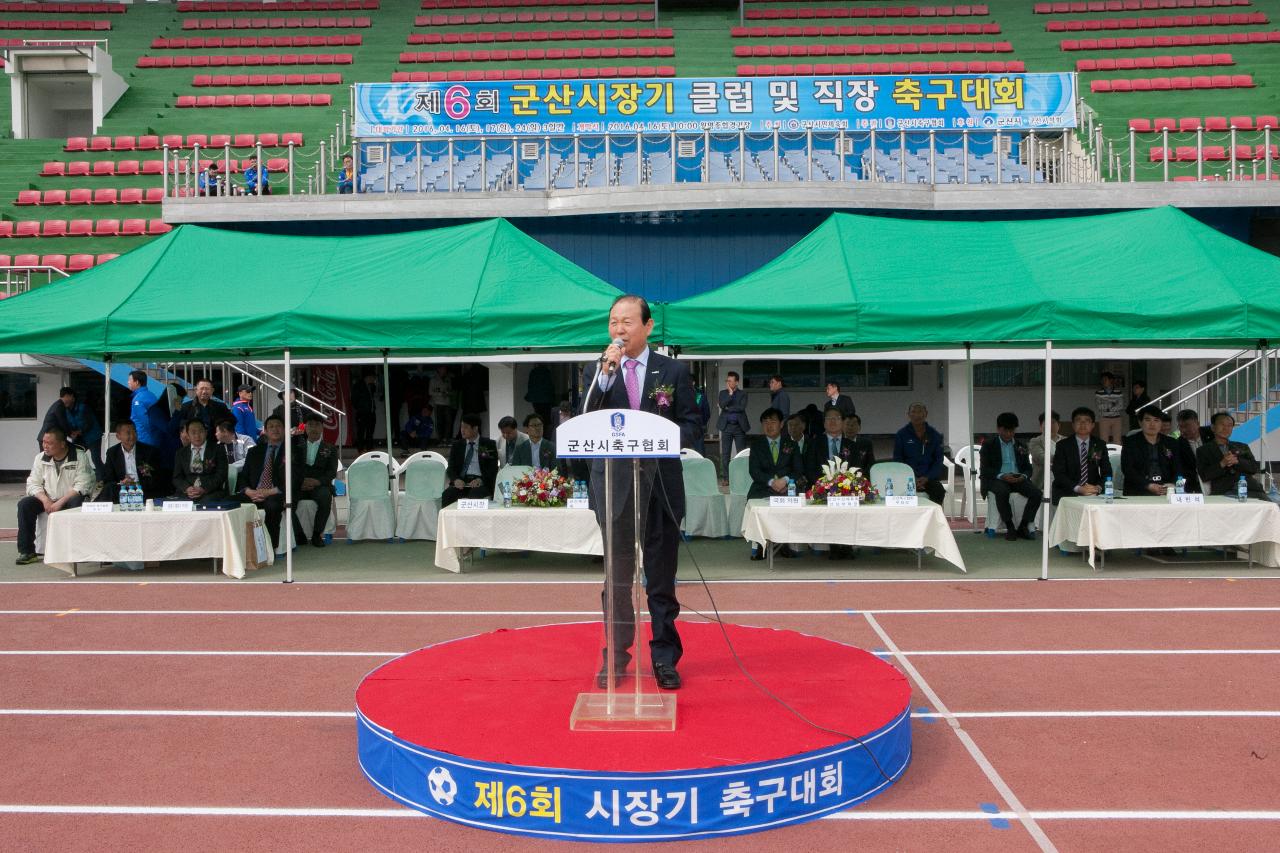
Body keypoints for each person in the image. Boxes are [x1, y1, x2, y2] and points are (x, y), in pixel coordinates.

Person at [583, 294, 697, 691]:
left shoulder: (674, 371)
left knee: (661, 577)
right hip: (613, 486)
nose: (619, 330)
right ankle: (615, 658)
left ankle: (664, 657)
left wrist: (659, 439)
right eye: (614, 322)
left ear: (648, 326)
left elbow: (692, 424)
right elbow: (584, 421)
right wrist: (604, 377)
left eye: (627, 322)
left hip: (661, 485)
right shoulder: (598, 372)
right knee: (616, 579)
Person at [16, 427, 95, 565]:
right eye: (43, 442)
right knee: (24, 504)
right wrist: (45, 499)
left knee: (77, 501)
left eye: (49, 443)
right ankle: (27, 551)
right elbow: (33, 483)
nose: (45, 446)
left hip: (70, 498)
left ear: (62, 444)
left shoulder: (79, 456)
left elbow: (83, 484)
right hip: (48, 498)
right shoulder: (40, 458)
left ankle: (75, 550)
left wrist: (60, 502)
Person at [746, 407, 803, 560]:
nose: (769, 425)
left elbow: (798, 470)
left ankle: (784, 544)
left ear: (781, 424)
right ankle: (759, 545)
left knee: (792, 504)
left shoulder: (791, 444)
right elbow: (754, 471)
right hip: (763, 487)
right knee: (755, 505)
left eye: (773, 422)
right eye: (765, 422)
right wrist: (771, 482)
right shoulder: (757, 445)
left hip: (787, 487)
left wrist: (784, 480)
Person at [979, 413, 1041, 541]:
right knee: (1002, 491)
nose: (1008, 434)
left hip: (1017, 478)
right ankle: (1010, 526)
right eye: (1005, 430)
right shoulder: (989, 445)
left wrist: (1023, 476)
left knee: (1036, 493)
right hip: (997, 478)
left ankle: (1023, 525)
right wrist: (1002, 476)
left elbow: (1028, 468)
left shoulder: (1020, 445)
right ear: (998, 429)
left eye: (1012, 430)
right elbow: (985, 469)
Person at [237, 415, 288, 549]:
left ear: (284, 429)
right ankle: (239, 546)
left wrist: (269, 492)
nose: (275, 429)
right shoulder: (254, 451)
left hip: (276, 493)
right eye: (271, 426)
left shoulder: (291, 450)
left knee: (272, 506)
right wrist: (249, 491)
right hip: (253, 493)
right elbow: (243, 477)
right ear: (265, 430)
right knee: (231, 503)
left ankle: (269, 547)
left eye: (278, 426)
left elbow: (295, 478)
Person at [293, 413, 339, 547]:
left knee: (325, 497)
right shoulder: (296, 446)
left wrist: (316, 482)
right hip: (299, 484)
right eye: (310, 425)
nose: (314, 428)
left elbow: (332, 472)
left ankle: (316, 535)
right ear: (305, 427)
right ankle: (299, 535)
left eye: (317, 425)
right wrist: (299, 482)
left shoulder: (330, 448)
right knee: (285, 500)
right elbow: (291, 468)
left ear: (322, 428)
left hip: (320, 485)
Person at [1051, 407, 1114, 505]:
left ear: (1093, 425)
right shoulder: (1063, 445)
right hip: (1067, 492)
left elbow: (1107, 472)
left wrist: (1098, 487)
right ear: (1072, 425)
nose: (1083, 424)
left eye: (1087, 421)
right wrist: (1078, 488)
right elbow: (1059, 473)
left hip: (1093, 492)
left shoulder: (1098, 444)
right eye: (1078, 420)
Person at [1196, 412, 1265, 498]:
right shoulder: (1203, 450)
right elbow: (1204, 475)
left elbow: (1254, 468)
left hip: (1250, 489)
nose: (1226, 428)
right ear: (1213, 428)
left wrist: (1237, 461)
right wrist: (1222, 463)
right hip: (1224, 491)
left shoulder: (1242, 446)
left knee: (1272, 507)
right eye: (1222, 424)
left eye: (1229, 425)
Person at [1121, 405, 1183, 496]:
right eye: (1148, 420)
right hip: (1139, 490)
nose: (1152, 424)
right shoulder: (1130, 442)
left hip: (1166, 489)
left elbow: (1178, 467)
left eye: (1156, 420)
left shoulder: (1171, 443)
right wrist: (1147, 485)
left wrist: (1173, 484)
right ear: (1140, 422)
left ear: (1161, 423)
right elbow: (1128, 469)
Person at [98, 420, 164, 503]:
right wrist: (122, 483)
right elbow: (108, 478)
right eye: (128, 433)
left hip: (143, 490)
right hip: (122, 490)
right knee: (108, 489)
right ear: (118, 436)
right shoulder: (112, 453)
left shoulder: (149, 452)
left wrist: (135, 483)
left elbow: (153, 478)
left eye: (135, 432)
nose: (132, 436)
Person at [893, 402, 945, 504]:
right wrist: (912, 478)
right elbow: (898, 459)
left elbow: (938, 461)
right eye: (913, 412)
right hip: (906, 478)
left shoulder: (935, 435)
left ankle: (931, 518)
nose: (917, 415)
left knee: (939, 491)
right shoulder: (901, 434)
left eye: (920, 412)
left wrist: (927, 477)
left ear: (926, 414)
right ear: (908, 415)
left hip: (928, 478)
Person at [442, 413, 498, 507]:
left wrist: (481, 480)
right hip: (462, 482)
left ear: (475, 428)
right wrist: (456, 480)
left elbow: (492, 468)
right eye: (461, 427)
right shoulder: (457, 445)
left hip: (480, 483)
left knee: (474, 496)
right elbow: (451, 468)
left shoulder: (487, 444)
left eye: (466, 427)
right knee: (447, 495)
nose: (462, 430)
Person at [171, 419, 228, 504]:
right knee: (175, 504)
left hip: (211, 492)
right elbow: (177, 477)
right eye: (193, 433)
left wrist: (204, 488)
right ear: (188, 435)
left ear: (206, 432)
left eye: (200, 432)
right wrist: (187, 488)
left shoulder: (218, 449)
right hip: (187, 493)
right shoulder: (181, 453)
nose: (197, 436)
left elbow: (221, 475)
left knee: (207, 502)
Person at [717, 371, 749, 481]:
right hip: (726, 427)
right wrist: (730, 395)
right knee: (725, 454)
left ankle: (742, 477)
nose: (728, 382)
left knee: (741, 453)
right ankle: (726, 478)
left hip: (739, 427)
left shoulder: (743, 394)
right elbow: (722, 405)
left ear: (737, 382)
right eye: (727, 381)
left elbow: (741, 408)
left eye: (730, 381)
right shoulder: (723, 393)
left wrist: (728, 408)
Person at [66, 393, 104, 480]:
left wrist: (79, 432)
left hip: (93, 436)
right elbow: (69, 424)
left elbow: (89, 423)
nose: (65, 400)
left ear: (72, 397)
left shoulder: (83, 408)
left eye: (66, 397)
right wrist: (71, 433)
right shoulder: (66, 411)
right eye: (62, 397)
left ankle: (102, 478)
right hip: (81, 438)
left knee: (95, 458)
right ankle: (77, 477)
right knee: (75, 456)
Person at [127, 370, 165, 450]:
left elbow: (145, 422)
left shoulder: (138, 400)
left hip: (144, 439)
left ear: (137, 382)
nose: (128, 382)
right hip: (155, 438)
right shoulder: (151, 395)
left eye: (130, 380)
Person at [1028, 410, 1060, 488]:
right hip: (1043, 483)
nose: (1050, 426)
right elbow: (1042, 458)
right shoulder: (1035, 441)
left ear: (1059, 425)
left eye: (1053, 422)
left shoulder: (1066, 440)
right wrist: (1063, 458)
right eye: (1047, 423)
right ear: (1040, 426)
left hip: (1063, 482)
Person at [1095, 371, 1125, 445]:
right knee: (1103, 440)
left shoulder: (1119, 392)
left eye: (1105, 379)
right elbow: (1099, 406)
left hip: (1117, 418)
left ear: (1111, 380)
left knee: (1117, 440)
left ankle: (1117, 455)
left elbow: (1121, 406)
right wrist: (1113, 404)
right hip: (1104, 418)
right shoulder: (1098, 393)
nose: (1103, 382)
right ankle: (1104, 456)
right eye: (1102, 380)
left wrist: (1107, 406)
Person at [524, 364, 555, 434]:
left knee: (538, 416)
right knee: (546, 419)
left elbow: (530, 386)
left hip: (536, 399)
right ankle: (544, 434)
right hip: (546, 400)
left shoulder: (533, 372)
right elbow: (551, 386)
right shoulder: (547, 372)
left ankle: (538, 432)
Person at [352, 371, 378, 453]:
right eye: (372, 378)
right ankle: (360, 448)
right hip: (362, 412)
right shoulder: (358, 386)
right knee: (361, 430)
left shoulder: (371, 386)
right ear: (368, 377)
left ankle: (369, 447)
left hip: (371, 411)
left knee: (370, 430)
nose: (374, 379)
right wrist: (360, 408)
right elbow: (354, 399)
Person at [429, 366, 454, 443]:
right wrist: (440, 394)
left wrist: (448, 393)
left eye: (445, 369)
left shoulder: (448, 379)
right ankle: (440, 439)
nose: (444, 370)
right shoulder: (433, 380)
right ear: (438, 369)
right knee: (439, 422)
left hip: (447, 403)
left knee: (448, 421)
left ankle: (446, 438)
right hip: (438, 403)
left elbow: (451, 390)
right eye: (443, 369)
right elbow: (430, 392)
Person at [691, 377, 711, 457]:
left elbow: (707, 413)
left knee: (699, 452)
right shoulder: (681, 395)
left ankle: (701, 468)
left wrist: (702, 423)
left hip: (698, 428)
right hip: (684, 429)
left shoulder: (700, 396)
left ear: (693, 382)